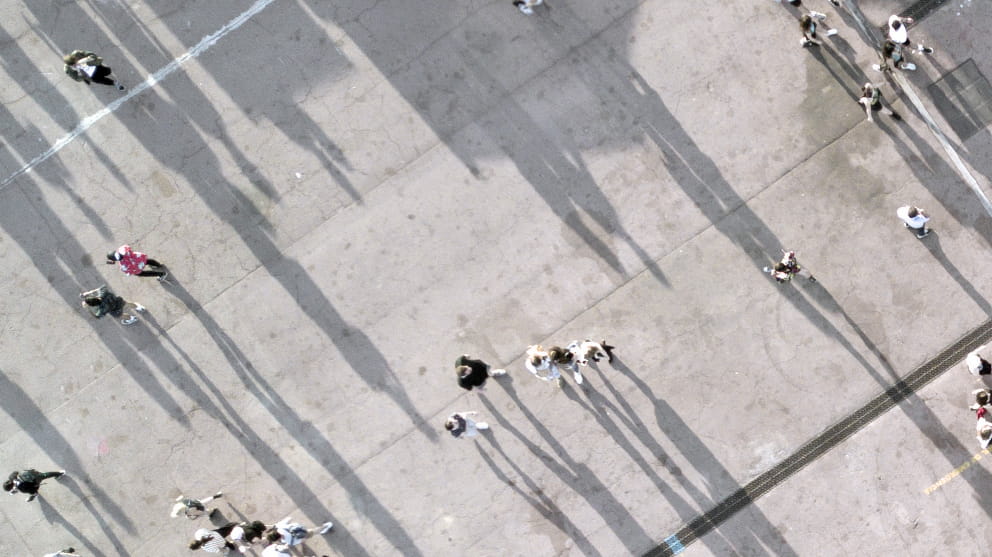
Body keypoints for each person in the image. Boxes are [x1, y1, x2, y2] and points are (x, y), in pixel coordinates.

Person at [79, 285, 145, 325]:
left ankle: (132, 319)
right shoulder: (103, 293)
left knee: (121, 315)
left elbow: (97, 316)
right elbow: (100, 289)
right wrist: (88, 293)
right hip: (118, 301)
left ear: (93, 305)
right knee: (127, 304)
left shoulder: (102, 309)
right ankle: (139, 307)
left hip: (115, 310)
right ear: (95, 297)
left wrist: (87, 309)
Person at [266, 516, 333, 546]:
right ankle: (324, 527)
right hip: (298, 527)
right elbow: (289, 518)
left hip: (303, 534)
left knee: (315, 531)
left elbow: (302, 540)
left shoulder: (289, 542)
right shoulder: (279, 527)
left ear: (277, 539)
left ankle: (327, 526)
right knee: (314, 531)